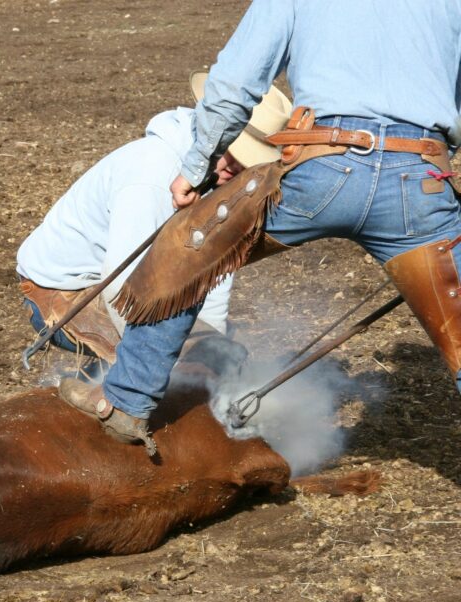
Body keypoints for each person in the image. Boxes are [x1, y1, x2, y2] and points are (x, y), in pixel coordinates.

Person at [68, 0, 461, 447]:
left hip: (322, 166)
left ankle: (125, 401)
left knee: (187, 248)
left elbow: (236, 81)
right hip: (421, 179)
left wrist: (199, 167)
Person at [17, 76, 290, 423]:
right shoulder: (152, 175)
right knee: (154, 364)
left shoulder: (218, 177)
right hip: (66, 289)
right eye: (231, 152)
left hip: (125, 282)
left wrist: (208, 347)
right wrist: (173, 361)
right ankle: (79, 407)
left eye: (247, 161)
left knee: (217, 356)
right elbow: (122, 283)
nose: (233, 168)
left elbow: (210, 269)